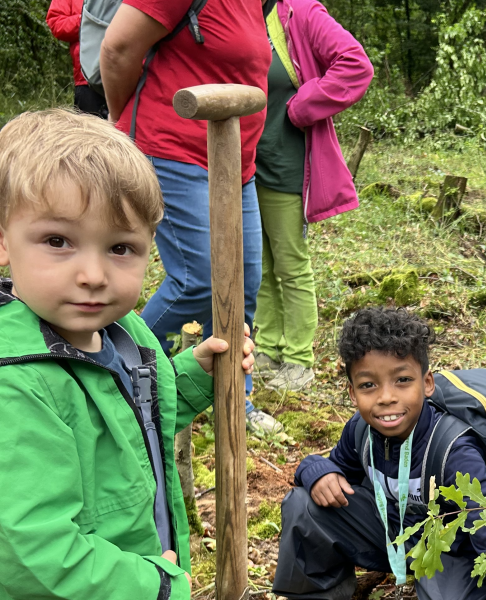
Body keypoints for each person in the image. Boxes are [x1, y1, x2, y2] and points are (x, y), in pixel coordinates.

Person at [0, 108, 256, 599]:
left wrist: (195, 377)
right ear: (3, 240)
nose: (94, 275)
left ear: (150, 246)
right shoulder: (18, 380)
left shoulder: (124, 332)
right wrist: (152, 586)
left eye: (120, 248)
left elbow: (128, 421)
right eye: (58, 241)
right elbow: (29, 551)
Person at [98, 0, 281, 434]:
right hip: (173, 149)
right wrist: (120, 122)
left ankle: (235, 399)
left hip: (235, 158)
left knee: (243, 281)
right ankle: (124, 375)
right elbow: (118, 49)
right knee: (199, 277)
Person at [273, 307, 486, 600]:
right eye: (368, 385)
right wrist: (314, 470)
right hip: (390, 535)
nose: (386, 397)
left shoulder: (452, 449)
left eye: (402, 380)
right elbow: (335, 471)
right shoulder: (361, 431)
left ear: (426, 383)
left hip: (449, 551)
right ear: (352, 393)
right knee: (304, 504)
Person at [254, 0, 373, 391]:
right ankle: (267, 349)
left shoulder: (299, 12)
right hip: (245, 162)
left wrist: (303, 104)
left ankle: (299, 361)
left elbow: (356, 65)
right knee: (260, 265)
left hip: (287, 162)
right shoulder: (240, 12)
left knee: (289, 262)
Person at [45, 0, 109, 118]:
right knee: (90, 133)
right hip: (87, 78)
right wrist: (88, 20)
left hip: (128, 74)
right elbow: (56, 22)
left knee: (127, 133)